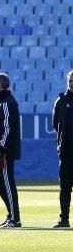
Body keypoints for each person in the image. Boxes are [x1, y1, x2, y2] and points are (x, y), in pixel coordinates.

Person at [0, 73, 22, 228]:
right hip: (0, 150)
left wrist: (2, 149)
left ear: (0, 85)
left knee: (8, 183)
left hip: (4, 151)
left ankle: (15, 219)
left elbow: (8, 128)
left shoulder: (7, 103)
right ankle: (11, 213)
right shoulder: (3, 102)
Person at [52, 70, 73, 228]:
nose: (72, 83)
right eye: (70, 80)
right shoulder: (60, 101)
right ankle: (64, 219)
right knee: (64, 187)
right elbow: (55, 123)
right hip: (66, 152)